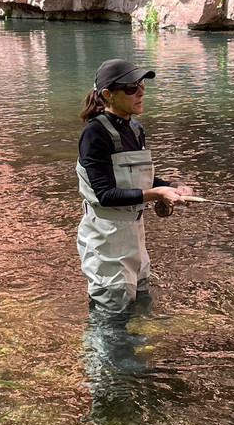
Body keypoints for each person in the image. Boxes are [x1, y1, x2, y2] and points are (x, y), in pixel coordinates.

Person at [76, 58, 194, 312]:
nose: (140, 92)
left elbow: (139, 180)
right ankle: (105, 352)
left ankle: (139, 349)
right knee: (112, 311)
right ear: (108, 95)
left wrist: (172, 185)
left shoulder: (136, 129)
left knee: (140, 300)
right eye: (130, 88)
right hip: (105, 236)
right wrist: (158, 193)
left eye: (141, 85)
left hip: (134, 232)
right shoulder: (94, 134)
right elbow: (105, 194)